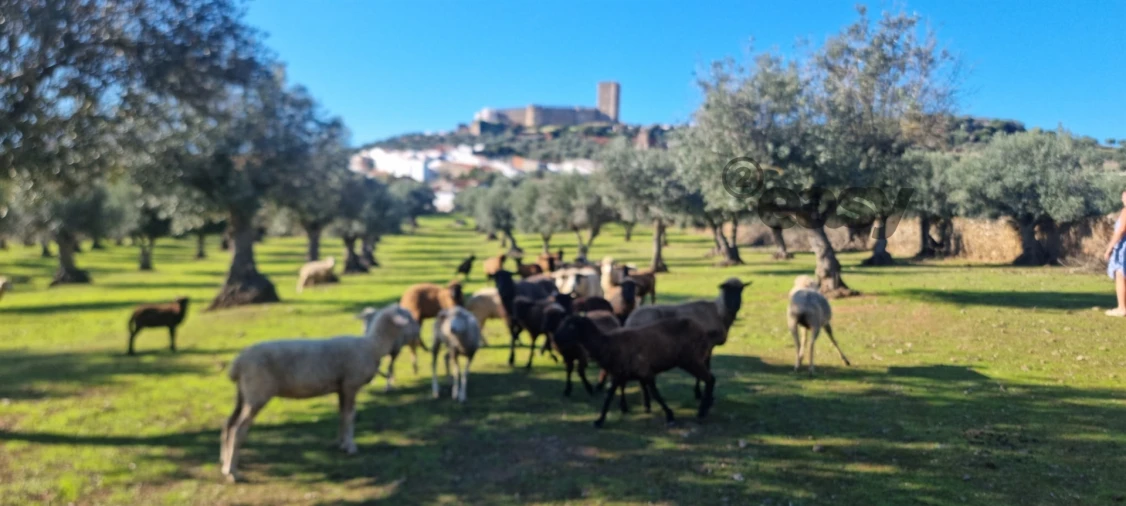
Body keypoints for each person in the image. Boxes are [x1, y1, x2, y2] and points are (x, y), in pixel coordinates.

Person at [1103, 190, 1126, 316]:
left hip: (1124, 248)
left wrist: (1109, 248)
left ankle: (1122, 308)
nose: (1123, 200)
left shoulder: (1125, 212)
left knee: (1120, 275)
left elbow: (1120, 231)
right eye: (1122, 197)